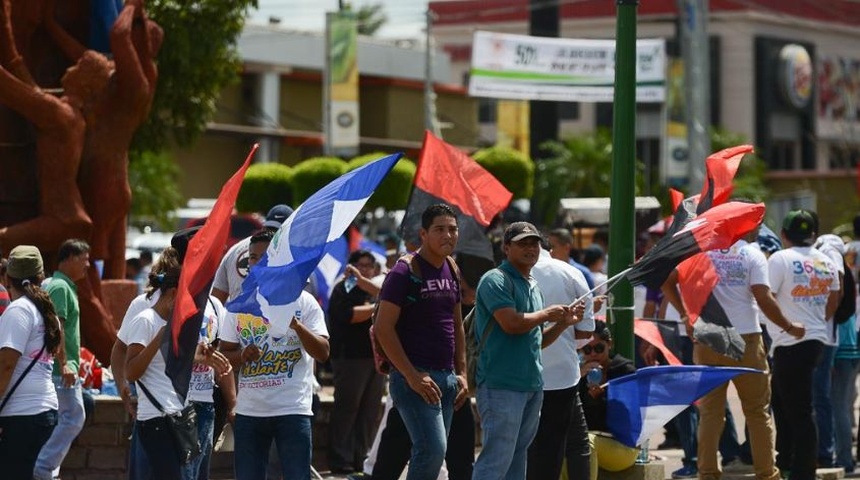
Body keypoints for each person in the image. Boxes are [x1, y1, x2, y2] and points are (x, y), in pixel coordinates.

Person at [663, 222, 804, 480]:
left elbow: (666, 281)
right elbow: (763, 298)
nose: (758, 231)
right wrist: (789, 326)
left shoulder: (700, 253)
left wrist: (685, 314)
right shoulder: (752, 254)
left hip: (708, 337)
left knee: (710, 413)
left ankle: (707, 473)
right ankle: (766, 475)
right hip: (746, 338)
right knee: (757, 411)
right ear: (744, 226)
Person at [112, 230, 235, 480]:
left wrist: (232, 402)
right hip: (161, 411)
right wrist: (123, 388)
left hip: (201, 407)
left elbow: (219, 359)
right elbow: (121, 350)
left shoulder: (213, 306)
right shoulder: (148, 304)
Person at [472, 222, 581, 479]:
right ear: (506, 247)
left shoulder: (531, 284)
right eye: (523, 243)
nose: (531, 248)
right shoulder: (495, 279)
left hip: (531, 385)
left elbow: (536, 340)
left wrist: (562, 322)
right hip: (501, 385)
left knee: (518, 457)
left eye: (534, 243)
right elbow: (511, 323)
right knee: (496, 460)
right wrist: (546, 314)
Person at [218, 229, 330, 479]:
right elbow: (224, 356)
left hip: (293, 411)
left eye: (266, 256)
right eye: (254, 258)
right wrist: (242, 355)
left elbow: (323, 353)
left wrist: (297, 326)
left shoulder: (305, 302)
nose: (259, 263)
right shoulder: (238, 305)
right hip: (250, 413)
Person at [374, 204, 468, 480]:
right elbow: (383, 328)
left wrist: (462, 373)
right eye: (439, 229)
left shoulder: (451, 267)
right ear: (423, 234)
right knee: (431, 451)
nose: (447, 235)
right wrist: (412, 376)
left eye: (452, 229)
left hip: (447, 379)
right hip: (415, 378)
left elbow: (456, 324)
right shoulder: (403, 272)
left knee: (432, 453)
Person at [767, 209, 840, 480]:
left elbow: (767, 297)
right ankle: (786, 459)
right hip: (815, 339)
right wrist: (819, 320)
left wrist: (785, 325)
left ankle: (803, 471)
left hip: (791, 339)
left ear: (784, 235)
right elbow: (836, 295)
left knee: (798, 408)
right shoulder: (826, 261)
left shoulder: (780, 259)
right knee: (783, 401)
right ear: (813, 234)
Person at [527, 248, 595, 480]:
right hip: (563, 375)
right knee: (574, 444)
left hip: (523, 374)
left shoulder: (504, 277)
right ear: (551, 249)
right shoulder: (571, 272)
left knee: (528, 444)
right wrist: (564, 335)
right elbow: (586, 332)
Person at [0, 246, 62, 477]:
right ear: (41, 276)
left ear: (8, 277)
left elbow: (6, 364)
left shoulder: (19, 311)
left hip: (21, 415)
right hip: (40, 411)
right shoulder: (45, 310)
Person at [124, 255, 187, 479]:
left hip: (174, 415)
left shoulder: (170, 325)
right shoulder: (146, 320)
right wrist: (159, 339)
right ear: (172, 295)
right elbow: (130, 370)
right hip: (155, 419)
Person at [34, 239, 90, 480]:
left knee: (62, 419)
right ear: (68, 258)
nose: (88, 264)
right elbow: (56, 327)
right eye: (84, 259)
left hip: (60, 368)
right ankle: (43, 468)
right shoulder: (59, 286)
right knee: (74, 417)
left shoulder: (61, 285)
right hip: (60, 369)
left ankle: (46, 469)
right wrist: (65, 363)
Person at [327, 250, 384, 474]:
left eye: (369, 266)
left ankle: (363, 459)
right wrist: (376, 308)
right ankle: (340, 459)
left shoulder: (374, 290)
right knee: (347, 409)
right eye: (361, 265)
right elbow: (350, 315)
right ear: (351, 267)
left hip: (374, 359)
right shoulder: (343, 289)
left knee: (370, 412)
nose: (366, 270)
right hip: (350, 359)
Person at [578, 321, 637, 479]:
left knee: (585, 443)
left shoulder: (625, 371)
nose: (593, 354)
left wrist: (600, 399)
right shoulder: (579, 375)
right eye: (587, 349)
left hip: (623, 446)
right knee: (564, 447)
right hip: (592, 439)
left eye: (598, 348)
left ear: (609, 344)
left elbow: (627, 418)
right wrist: (579, 379)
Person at [211, 204, 294, 304]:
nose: (275, 235)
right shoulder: (288, 252)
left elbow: (216, 299)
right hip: (264, 317)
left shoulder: (235, 250)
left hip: (237, 317)